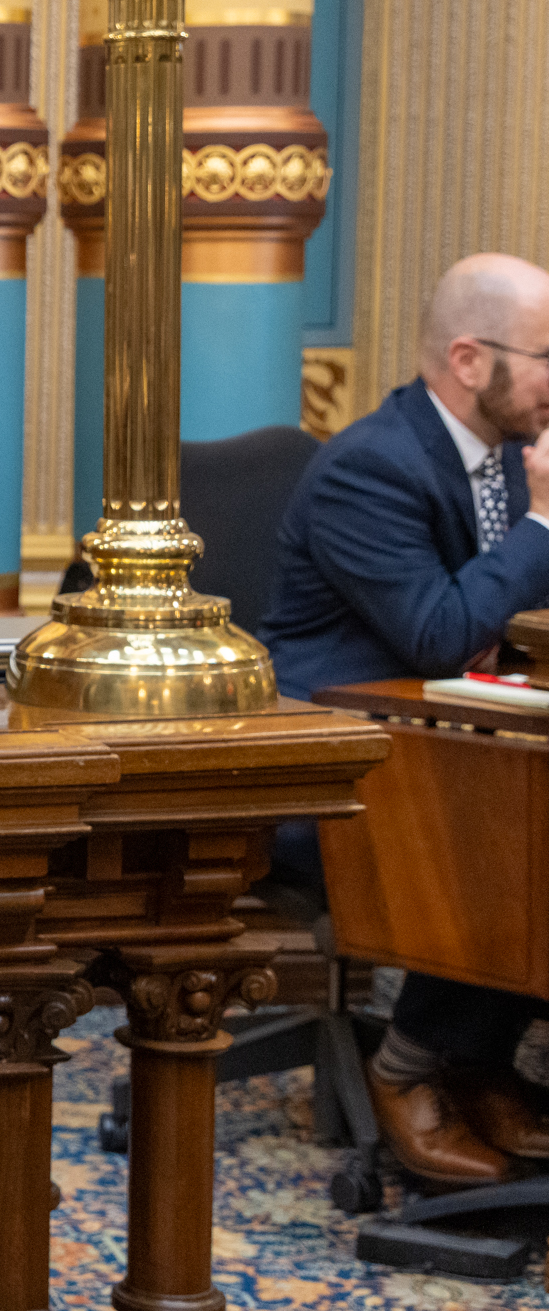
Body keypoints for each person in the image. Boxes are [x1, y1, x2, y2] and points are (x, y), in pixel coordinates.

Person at [258, 252, 549, 1187]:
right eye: (547, 356)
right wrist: (546, 524)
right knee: (518, 835)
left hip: (456, 750)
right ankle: (410, 1064)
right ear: (470, 359)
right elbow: (439, 633)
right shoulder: (370, 468)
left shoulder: (506, 455)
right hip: (338, 768)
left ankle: (481, 1062)